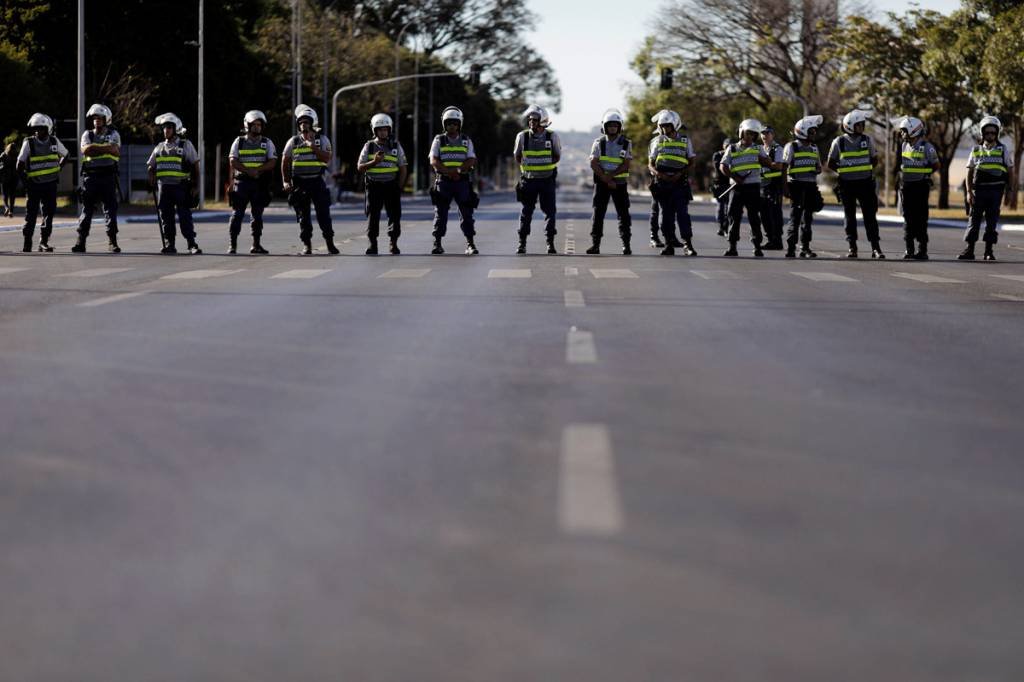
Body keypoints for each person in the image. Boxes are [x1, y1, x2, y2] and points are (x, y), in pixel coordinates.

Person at [282, 104, 338, 255]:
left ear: (313, 123)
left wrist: (313, 147)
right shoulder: (293, 142)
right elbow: (285, 161)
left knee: (324, 215)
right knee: (303, 217)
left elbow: (327, 158)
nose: (303, 125)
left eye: (306, 122)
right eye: (300, 123)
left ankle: (330, 243)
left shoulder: (322, 140)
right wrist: (286, 182)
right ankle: (307, 245)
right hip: (299, 183)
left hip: (316, 182)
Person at [827, 110, 884, 259]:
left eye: (863, 124)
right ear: (850, 126)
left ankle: (876, 248)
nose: (862, 127)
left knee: (870, 216)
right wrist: (843, 171)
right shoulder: (839, 142)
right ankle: (852, 247)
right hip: (847, 185)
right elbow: (831, 163)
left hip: (865, 184)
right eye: (859, 125)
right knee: (849, 216)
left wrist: (865, 169)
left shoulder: (867, 140)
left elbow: (875, 159)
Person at [147, 113, 202, 254]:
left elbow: (195, 166)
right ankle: (169, 244)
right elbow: (151, 165)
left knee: (185, 218)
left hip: (181, 187)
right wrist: (151, 176)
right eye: (164, 128)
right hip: (164, 189)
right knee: (166, 218)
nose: (166, 130)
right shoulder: (159, 147)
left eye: (169, 127)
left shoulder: (185, 145)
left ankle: (192, 244)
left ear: (176, 129)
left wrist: (196, 186)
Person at [959, 115, 1013, 261]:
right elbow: (969, 172)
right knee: (973, 221)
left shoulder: (1003, 150)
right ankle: (969, 250)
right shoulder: (976, 150)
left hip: (996, 192)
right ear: (982, 133)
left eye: (993, 133)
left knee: (991, 222)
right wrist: (969, 192)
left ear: (997, 133)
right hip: (979, 192)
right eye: (987, 133)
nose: (990, 135)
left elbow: (1010, 171)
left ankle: (988, 251)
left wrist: (1010, 191)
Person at [429, 106, 478, 255]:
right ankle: (437, 243)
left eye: (454, 123)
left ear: (459, 124)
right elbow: (434, 160)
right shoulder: (439, 140)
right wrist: (449, 172)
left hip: (462, 183)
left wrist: (458, 171)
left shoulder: (466, 140)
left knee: (467, 213)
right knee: (440, 214)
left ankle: (470, 243)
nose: (452, 126)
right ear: (444, 124)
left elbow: (471, 159)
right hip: (444, 183)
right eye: (449, 123)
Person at [719, 118, 772, 257]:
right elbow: (723, 166)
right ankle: (732, 247)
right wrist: (735, 177)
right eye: (748, 133)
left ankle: (757, 246)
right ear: (741, 133)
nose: (750, 137)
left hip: (753, 187)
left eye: (753, 135)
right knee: (733, 217)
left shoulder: (758, 148)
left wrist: (763, 160)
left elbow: (768, 163)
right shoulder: (732, 148)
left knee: (754, 217)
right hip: (737, 188)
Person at [356, 112, 407, 255]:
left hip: (391, 185)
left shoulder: (396, 146)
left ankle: (393, 243)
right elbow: (360, 167)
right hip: (374, 185)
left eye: (385, 129)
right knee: (373, 216)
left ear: (389, 130)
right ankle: (372, 244)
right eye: (380, 130)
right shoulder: (369, 146)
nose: (383, 132)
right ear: (375, 131)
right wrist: (374, 162)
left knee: (394, 216)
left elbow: (403, 168)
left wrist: (399, 187)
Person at [16, 113, 68, 253]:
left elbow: (66, 154)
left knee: (48, 214)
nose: (38, 131)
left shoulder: (54, 141)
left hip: (50, 185)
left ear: (48, 128)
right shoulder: (29, 142)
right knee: (31, 215)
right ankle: (27, 242)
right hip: (34, 185)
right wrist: (26, 182)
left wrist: (58, 169)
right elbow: (19, 164)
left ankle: (43, 242)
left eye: (41, 129)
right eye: (36, 129)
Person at [227, 110, 277, 254]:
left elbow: (273, 161)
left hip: (259, 184)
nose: (257, 127)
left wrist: (258, 170)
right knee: (237, 214)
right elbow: (233, 160)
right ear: (247, 125)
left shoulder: (267, 142)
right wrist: (248, 171)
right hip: (241, 183)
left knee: (257, 216)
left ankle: (256, 245)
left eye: (259, 124)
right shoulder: (239, 141)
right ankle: (232, 245)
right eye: (254, 124)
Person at [648, 109, 697, 256]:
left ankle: (687, 245)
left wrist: (680, 174)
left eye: (667, 126)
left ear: (675, 125)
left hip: (679, 183)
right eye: (662, 126)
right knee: (665, 216)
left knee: (683, 215)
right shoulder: (656, 141)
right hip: (662, 184)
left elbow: (692, 161)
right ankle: (668, 244)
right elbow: (650, 164)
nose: (664, 129)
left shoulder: (685, 140)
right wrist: (660, 174)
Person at [513, 105, 560, 255]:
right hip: (528, 180)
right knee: (526, 212)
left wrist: (543, 166)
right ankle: (522, 243)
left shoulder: (552, 136)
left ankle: (550, 243)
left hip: (547, 181)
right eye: (530, 119)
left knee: (550, 212)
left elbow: (557, 155)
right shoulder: (522, 136)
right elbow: (518, 156)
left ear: (543, 121)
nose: (532, 122)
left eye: (535, 120)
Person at [74, 103, 121, 253]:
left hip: (108, 177)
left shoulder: (114, 134)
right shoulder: (87, 134)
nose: (96, 120)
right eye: (94, 118)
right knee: (87, 210)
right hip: (91, 178)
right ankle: (81, 242)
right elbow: (85, 150)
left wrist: (95, 148)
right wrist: (104, 147)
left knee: (110, 210)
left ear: (106, 119)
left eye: (100, 118)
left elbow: (115, 150)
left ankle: (112, 242)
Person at [586, 108, 633, 255]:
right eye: (610, 125)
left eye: (615, 125)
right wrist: (606, 179)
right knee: (598, 214)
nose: (612, 128)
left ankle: (626, 245)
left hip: (619, 184)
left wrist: (611, 177)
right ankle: (595, 245)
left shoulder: (626, 143)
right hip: (602, 184)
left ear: (620, 127)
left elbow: (626, 164)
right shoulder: (598, 143)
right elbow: (594, 163)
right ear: (604, 127)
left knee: (623, 214)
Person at [896, 116, 939, 260]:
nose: (902, 134)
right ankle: (909, 249)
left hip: (921, 187)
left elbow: (936, 165)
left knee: (921, 219)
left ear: (913, 131)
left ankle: (922, 250)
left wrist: (924, 174)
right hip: (906, 187)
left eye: (904, 131)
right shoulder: (903, 146)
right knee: (908, 219)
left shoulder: (927, 147)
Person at [781, 115, 824, 258]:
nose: (814, 134)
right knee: (795, 218)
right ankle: (791, 248)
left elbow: (819, 167)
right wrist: (785, 187)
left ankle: (805, 247)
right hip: (796, 186)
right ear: (803, 131)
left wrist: (817, 170)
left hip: (810, 186)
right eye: (811, 131)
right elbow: (784, 167)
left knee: (808, 219)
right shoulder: (792, 146)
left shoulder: (814, 148)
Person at [759, 125, 785, 249]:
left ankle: (777, 240)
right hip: (762, 185)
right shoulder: (760, 149)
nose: (764, 135)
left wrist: (766, 163)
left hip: (774, 186)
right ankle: (770, 239)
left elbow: (780, 166)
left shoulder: (777, 148)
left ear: (772, 135)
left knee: (775, 214)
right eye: (762, 133)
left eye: (767, 133)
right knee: (764, 215)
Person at [711, 138, 732, 237]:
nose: (728, 148)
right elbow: (719, 168)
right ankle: (721, 226)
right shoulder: (718, 155)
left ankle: (726, 226)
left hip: (730, 184)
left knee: (729, 207)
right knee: (721, 206)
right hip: (720, 184)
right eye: (727, 146)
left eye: (730, 146)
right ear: (723, 146)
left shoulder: (733, 155)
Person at [0, 142, 18, 218]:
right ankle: (11, 211)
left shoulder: (3, 155)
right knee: (12, 195)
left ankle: (6, 208)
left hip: (5, 178)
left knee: (5, 195)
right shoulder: (17, 155)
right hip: (14, 178)